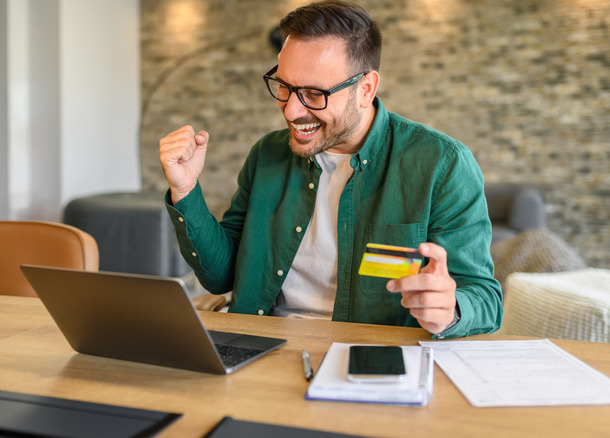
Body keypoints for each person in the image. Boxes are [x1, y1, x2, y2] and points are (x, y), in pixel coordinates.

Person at [158, 0, 502, 339]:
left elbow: (486, 299)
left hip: (367, 360)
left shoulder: (441, 164)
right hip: (259, 347)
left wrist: (450, 308)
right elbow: (222, 276)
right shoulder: (267, 154)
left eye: (313, 93)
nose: (291, 110)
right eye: (284, 86)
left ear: (365, 89)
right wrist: (186, 191)